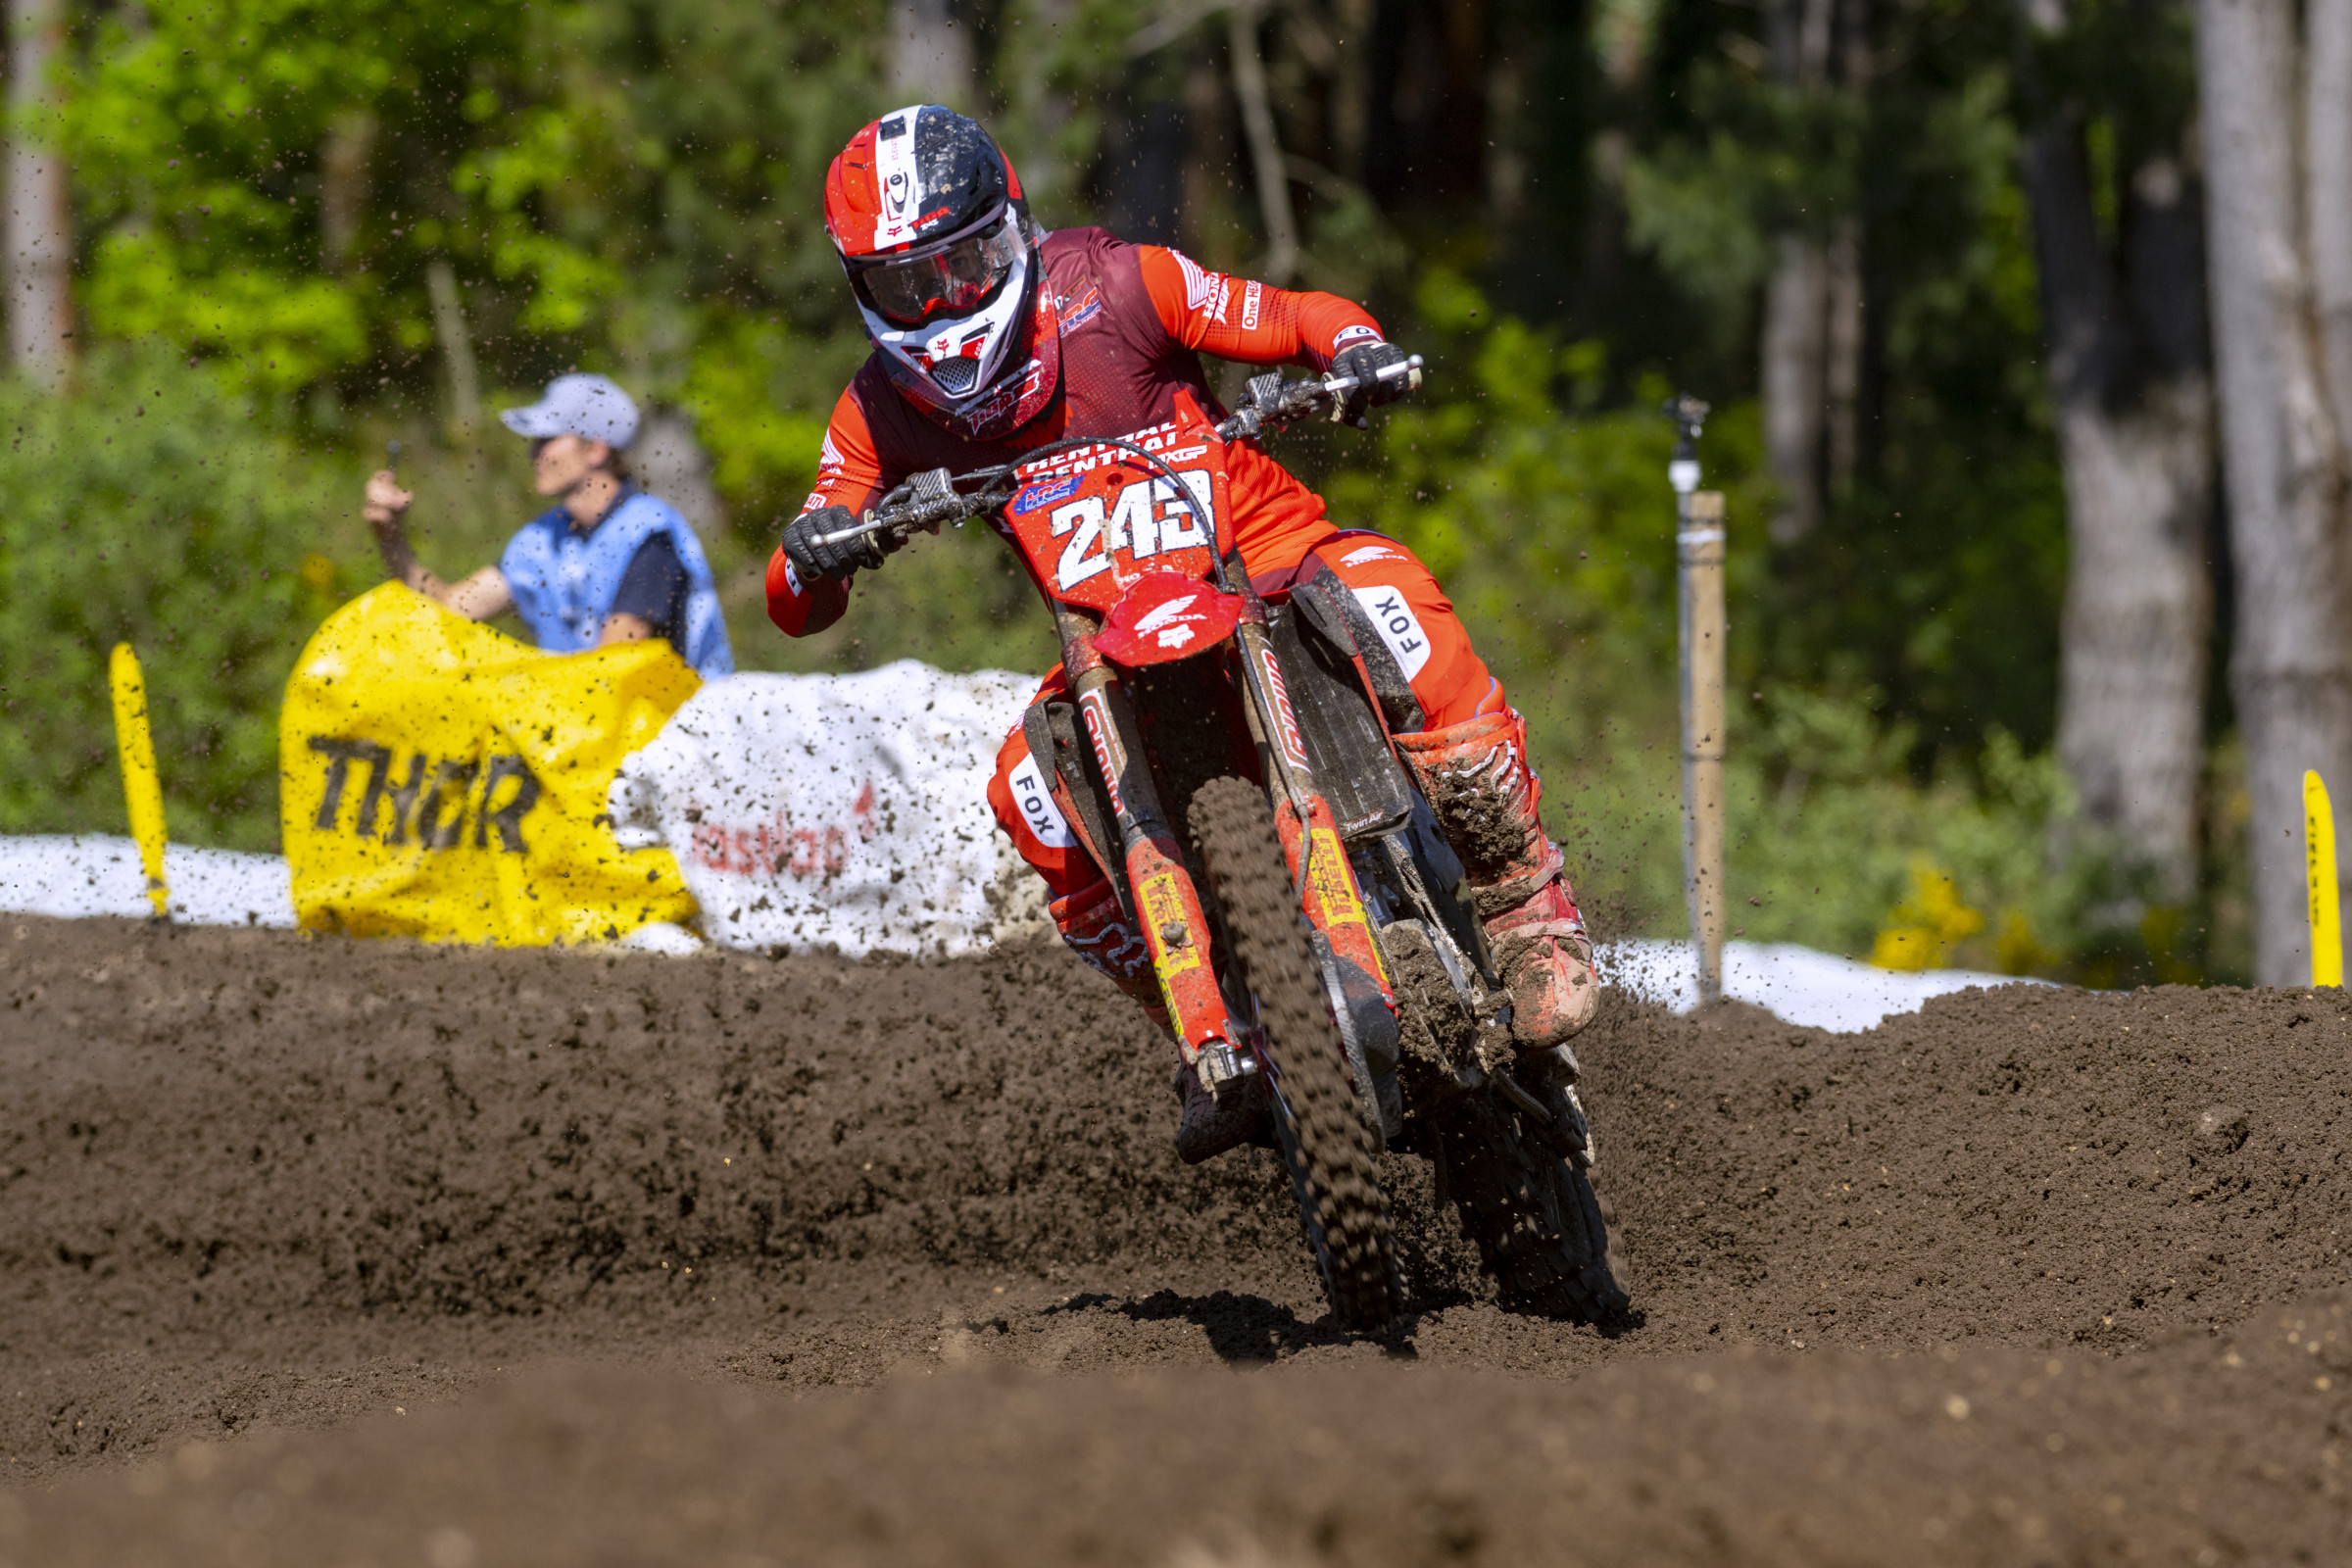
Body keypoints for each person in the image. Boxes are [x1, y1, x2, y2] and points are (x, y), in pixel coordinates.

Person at [770, 106, 1592, 1161]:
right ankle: (1214, 1037)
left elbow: (1290, 314)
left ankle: (1528, 911)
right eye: (904, 285)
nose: (941, 302)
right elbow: (796, 591)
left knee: (1392, 596)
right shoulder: (878, 405)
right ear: (861, 290)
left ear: (1011, 230)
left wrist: (1355, 348)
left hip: (1270, 555)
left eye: (963, 265)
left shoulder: (1120, 284)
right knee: (1026, 789)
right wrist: (816, 547)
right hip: (1108, 636)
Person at [363, 373, 734, 679]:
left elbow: (616, 668)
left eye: (547, 439)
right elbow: (447, 610)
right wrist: (391, 538)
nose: (532, 453)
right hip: (587, 735)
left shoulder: (651, 537)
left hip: (680, 746)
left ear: (596, 450)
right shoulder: (542, 539)